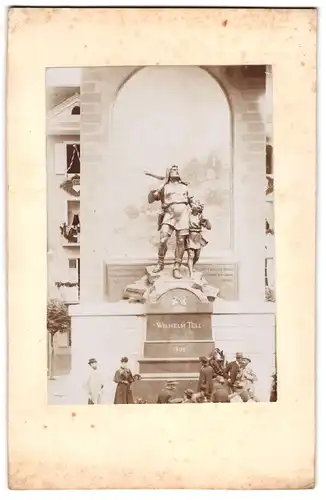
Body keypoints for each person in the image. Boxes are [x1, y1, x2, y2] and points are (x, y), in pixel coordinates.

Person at [148, 165, 193, 279]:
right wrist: (161, 186)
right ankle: (160, 263)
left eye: (176, 169)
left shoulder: (184, 187)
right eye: (172, 170)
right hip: (169, 214)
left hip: (183, 215)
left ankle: (176, 267)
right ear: (168, 173)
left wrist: (199, 217)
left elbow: (192, 202)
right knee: (163, 239)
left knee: (181, 240)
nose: (175, 171)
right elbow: (151, 199)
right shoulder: (165, 186)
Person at [186, 199, 211, 278]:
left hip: (198, 237)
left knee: (197, 256)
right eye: (194, 204)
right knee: (191, 255)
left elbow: (209, 227)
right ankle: (190, 273)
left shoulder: (200, 217)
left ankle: (191, 266)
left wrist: (207, 221)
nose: (194, 205)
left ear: (199, 208)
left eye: (196, 204)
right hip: (190, 235)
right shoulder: (188, 215)